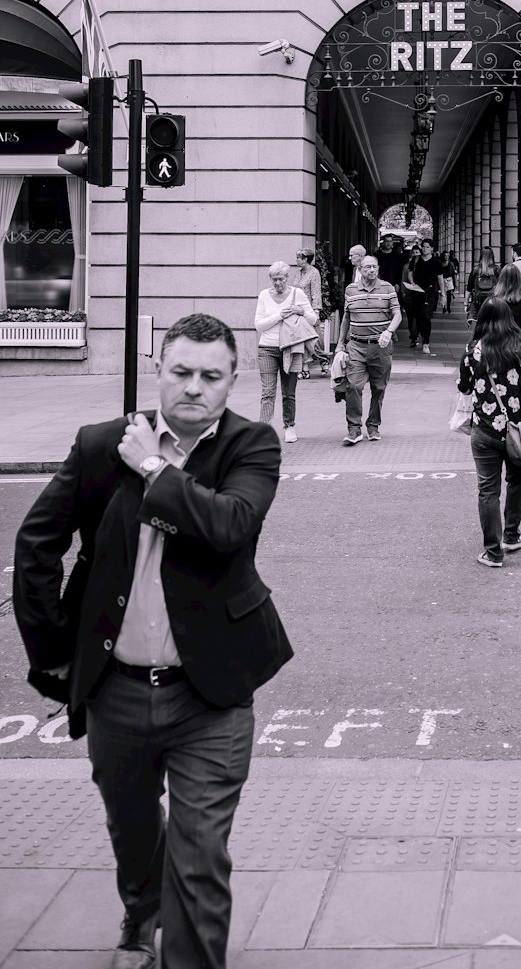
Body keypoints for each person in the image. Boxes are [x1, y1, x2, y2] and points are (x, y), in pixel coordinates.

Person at [13, 313, 293, 969]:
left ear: (232, 381)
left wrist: (153, 468)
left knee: (199, 860)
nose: (194, 387)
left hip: (212, 697)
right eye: (181, 373)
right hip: (117, 691)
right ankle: (141, 912)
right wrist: (53, 650)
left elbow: (230, 525)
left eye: (211, 376)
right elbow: (36, 547)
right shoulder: (100, 444)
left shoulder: (252, 447)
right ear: (158, 372)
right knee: (134, 833)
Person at [458, 297, 521, 566]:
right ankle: (512, 536)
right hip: (518, 431)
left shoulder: (473, 351)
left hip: (485, 431)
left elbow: (464, 388)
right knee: (517, 480)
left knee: (488, 490)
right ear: (509, 318)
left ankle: (493, 552)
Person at [336, 253, 402, 445]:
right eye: (367, 267)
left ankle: (373, 425)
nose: (371, 270)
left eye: (374, 267)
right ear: (360, 270)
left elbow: (397, 314)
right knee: (354, 386)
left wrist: (389, 332)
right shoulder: (350, 290)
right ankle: (354, 429)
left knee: (378, 388)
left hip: (380, 347)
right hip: (356, 345)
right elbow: (346, 319)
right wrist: (341, 344)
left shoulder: (388, 288)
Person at [255, 261, 318, 444]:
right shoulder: (264, 296)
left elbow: (313, 319)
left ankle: (289, 426)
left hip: (291, 347)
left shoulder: (297, 294)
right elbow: (258, 325)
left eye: (281, 279)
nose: (277, 283)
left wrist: (300, 311)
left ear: (287, 278)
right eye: (274, 280)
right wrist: (279, 316)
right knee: (268, 391)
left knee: (288, 391)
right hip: (267, 347)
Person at [474, 262, 521, 339]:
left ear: (501, 280)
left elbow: (483, 324)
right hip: (520, 341)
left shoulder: (493, 299)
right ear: (519, 279)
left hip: (496, 342)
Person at [290, 247, 323, 379]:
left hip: (308, 310)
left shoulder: (314, 273)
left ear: (306, 259)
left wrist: (316, 311)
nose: (297, 259)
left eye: (299, 257)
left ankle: (318, 361)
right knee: (301, 339)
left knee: (312, 338)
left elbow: (316, 292)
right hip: (297, 310)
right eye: (297, 257)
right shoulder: (298, 273)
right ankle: (305, 367)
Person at [411, 238, 440, 353]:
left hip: (430, 292)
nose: (425, 249)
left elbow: (440, 278)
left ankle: (426, 343)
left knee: (427, 316)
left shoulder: (436, 262)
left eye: (427, 247)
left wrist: (443, 293)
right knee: (418, 317)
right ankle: (422, 335)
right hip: (417, 291)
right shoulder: (416, 259)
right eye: (423, 247)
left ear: (432, 248)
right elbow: (409, 273)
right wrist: (412, 283)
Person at [465, 246, 500, 332]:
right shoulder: (497, 270)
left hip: (478, 303)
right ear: (492, 256)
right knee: (492, 327)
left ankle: (476, 343)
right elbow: (501, 287)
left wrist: (466, 303)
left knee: (477, 328)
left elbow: (469, 288)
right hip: (493, 303)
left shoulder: (476, 270)